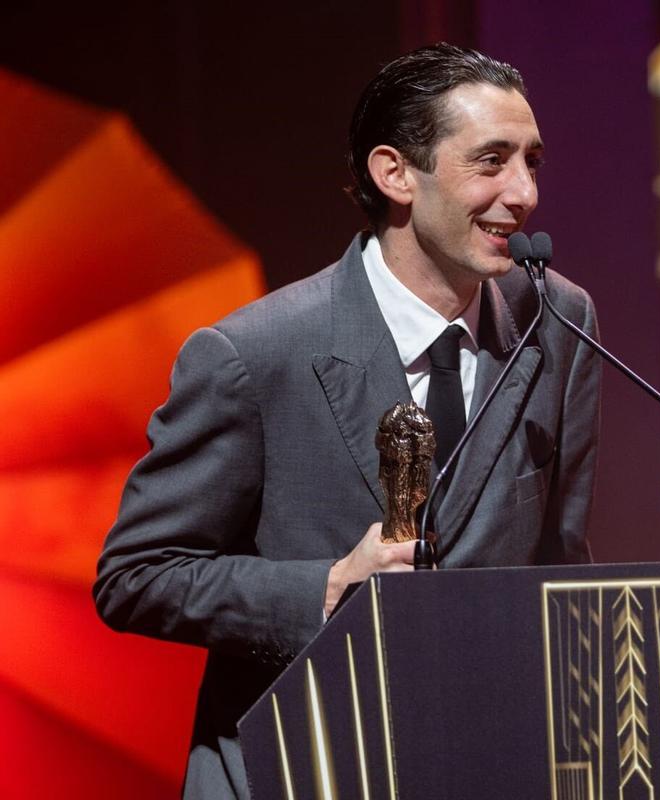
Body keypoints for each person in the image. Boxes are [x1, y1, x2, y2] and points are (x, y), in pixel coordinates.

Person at [93, 43, 600, 799]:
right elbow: (137, 577)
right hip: (303, 765)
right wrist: (325, 589)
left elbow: (563, 561)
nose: (523, 191)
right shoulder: (253, 354)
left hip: (488, 763)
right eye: (491, 161)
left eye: (533, 161)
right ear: (395, 173)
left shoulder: (560, 318)